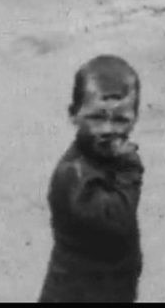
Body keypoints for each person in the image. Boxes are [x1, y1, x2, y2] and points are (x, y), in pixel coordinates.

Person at [38, 56, 144, 303]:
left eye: (120, 119)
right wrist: (130, 168)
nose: (108, 129)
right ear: (74, 115)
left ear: (135, 119)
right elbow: (117, 218)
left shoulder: (103, 162)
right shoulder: (73, 175)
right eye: (97, 117)